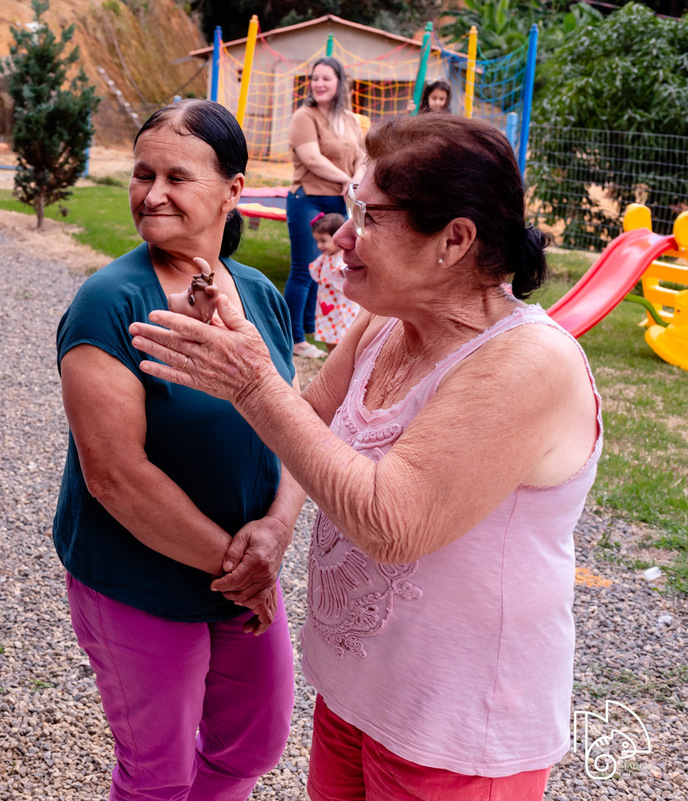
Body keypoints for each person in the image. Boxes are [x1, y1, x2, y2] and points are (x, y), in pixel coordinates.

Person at [130, 114, 600, 801]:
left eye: (369, 217)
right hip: (360, 694)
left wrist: (255, 383)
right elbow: (312, 424)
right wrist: (280, 521)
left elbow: (393, 521)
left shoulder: (528, 363)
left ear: (455, 240)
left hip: (459, 729)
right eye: (349, 210)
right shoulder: (387, 322)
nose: (342, 237)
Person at [54, 99, 300, 800]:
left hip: (246, 572)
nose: (152, 193)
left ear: (233, 190)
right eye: (142, 173)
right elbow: (115, 476)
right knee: (157, 772)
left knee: (253, 740)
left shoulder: (258, 293)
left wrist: (275, 531)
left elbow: (294, 424)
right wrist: (239, 567)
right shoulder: (109, 301)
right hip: (142, 577)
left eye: (177, 176)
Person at [285, 57, 364, 360]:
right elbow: (312, 158)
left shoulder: (350, 119)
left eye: (326, 79)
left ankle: (313, 327)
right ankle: (293, 338)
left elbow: (362, 157)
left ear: (339, 82)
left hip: (340, 202)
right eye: (315, 78)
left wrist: (355, 181)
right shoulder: (305, 116)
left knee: (333, 270)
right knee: (305, 269)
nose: (319, 84)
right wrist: (347, 179)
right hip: (309, 199)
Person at [307, 212, 359, 351]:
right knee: (328, 335)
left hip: (342, 307)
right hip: (327, 306)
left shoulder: (342, 258)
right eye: (317, 241)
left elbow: (348, 272)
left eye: (323, 241)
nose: (319, 245)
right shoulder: (325, 257)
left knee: (344, 337)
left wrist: (345, 273)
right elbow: (316, 271)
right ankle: (331, 357)